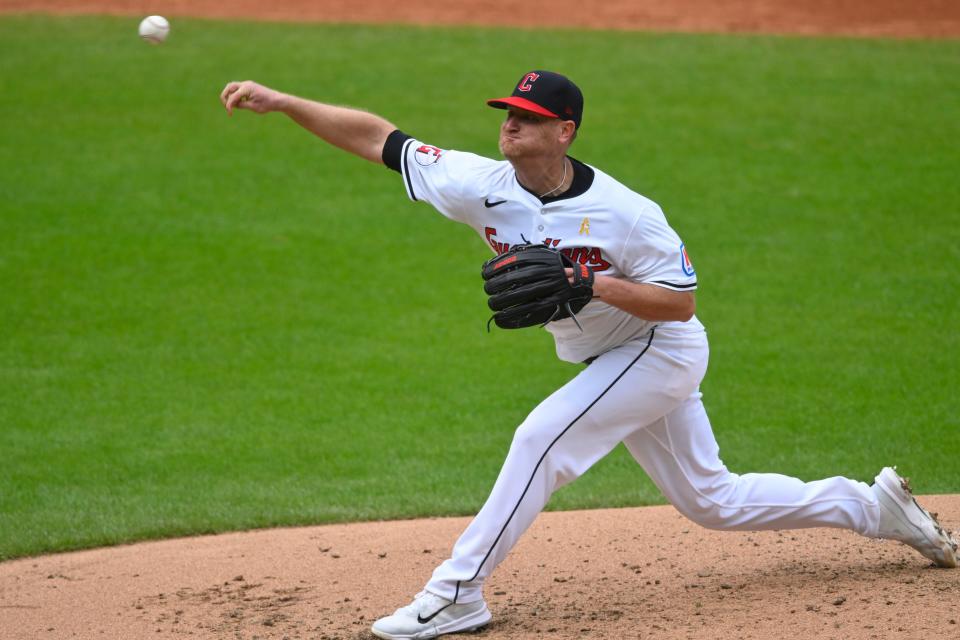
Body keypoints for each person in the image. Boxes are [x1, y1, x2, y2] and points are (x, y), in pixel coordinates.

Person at [220, 70, 957, 640]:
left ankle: (455, 594)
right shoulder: (478, 184)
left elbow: (681, 303)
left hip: (657, 351)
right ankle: (874, 506)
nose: (511, 125)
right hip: (605, 361)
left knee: (541, 437)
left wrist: (589, 279)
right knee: (714, 500)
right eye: (508, 113)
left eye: (529, 118)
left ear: (565, 131)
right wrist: (284, 102)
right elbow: (380, 139)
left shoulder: (629, 215)